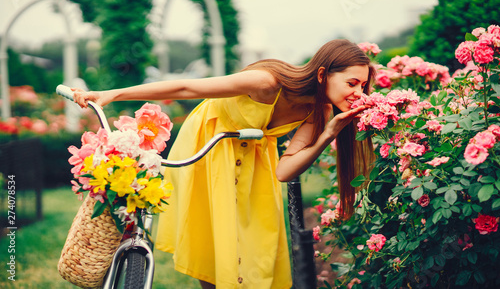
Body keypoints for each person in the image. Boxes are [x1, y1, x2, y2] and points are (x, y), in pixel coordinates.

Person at [73, 39, 376, 289]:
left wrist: (327, 135)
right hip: (211, 145)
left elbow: (284, 171)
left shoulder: (320, 111)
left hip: (255, 157)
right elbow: (187, 89)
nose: (358, 93)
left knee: (258, 246)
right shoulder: (267, 83)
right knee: (215, 246)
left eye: (363, 86)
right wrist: (112, 94)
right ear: (323, 74)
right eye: (352, 83)